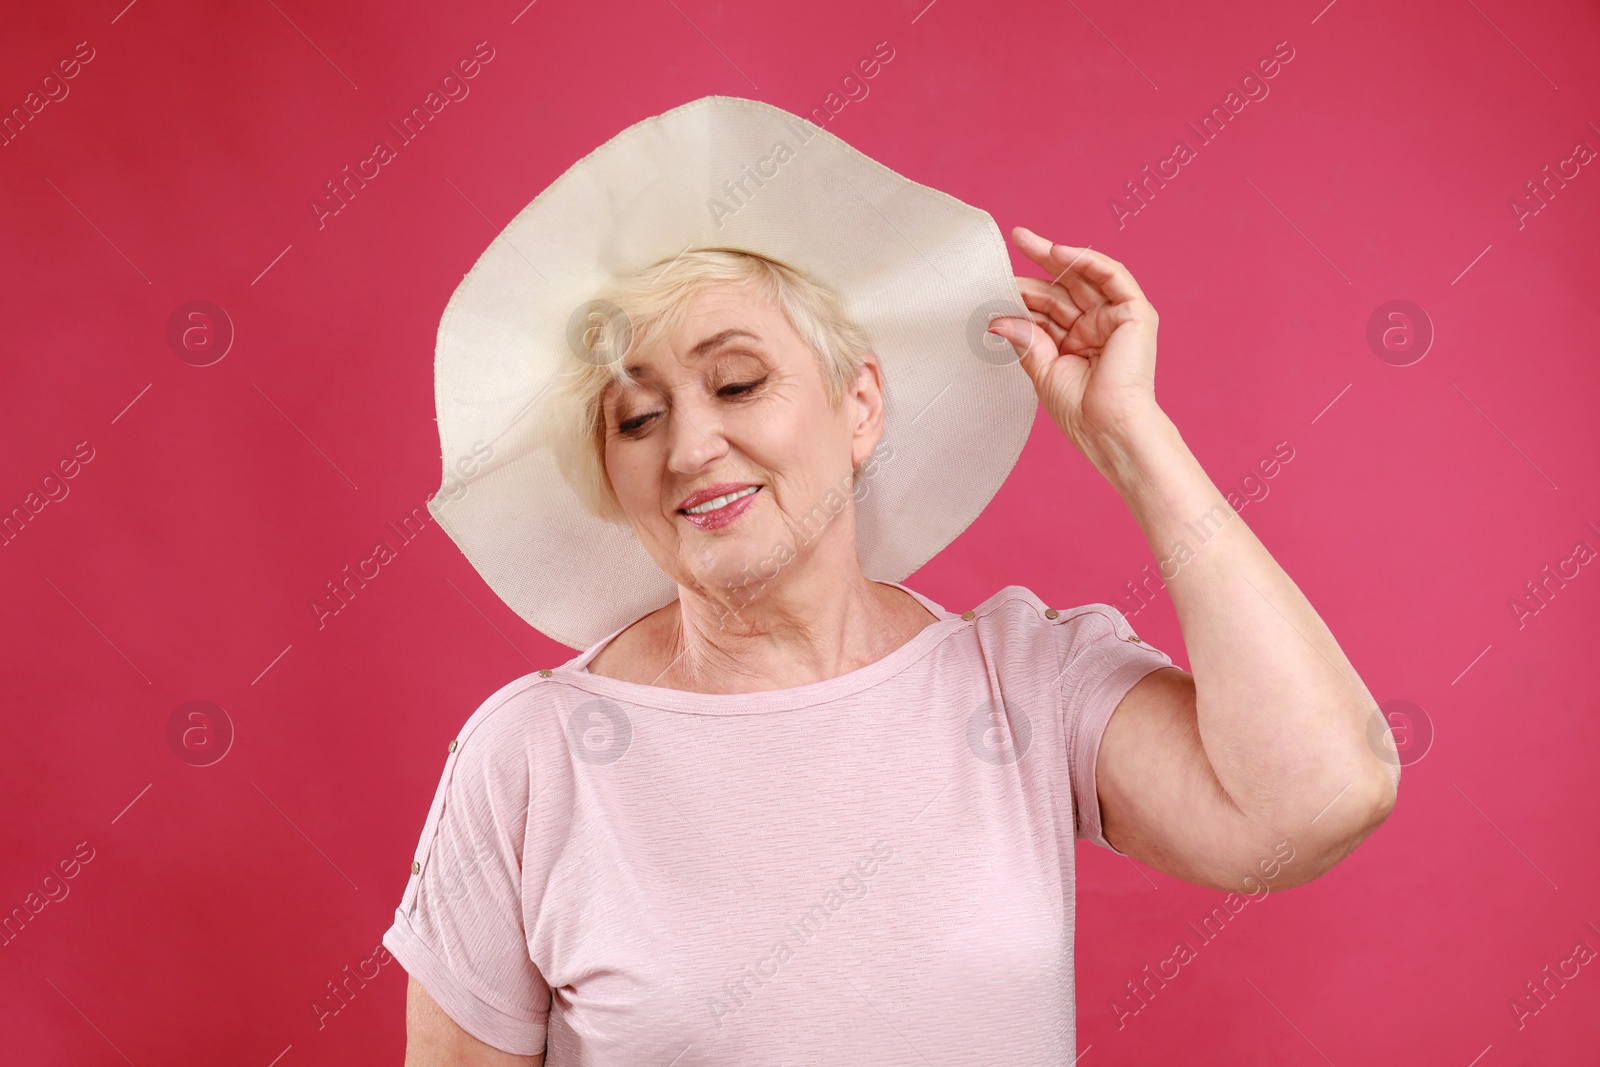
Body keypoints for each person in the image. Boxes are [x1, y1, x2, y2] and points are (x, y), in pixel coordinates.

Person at [382, 97, 1400, 1066]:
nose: (692, 445)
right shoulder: (529, 756)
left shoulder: (1021, 681)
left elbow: (1317, 797)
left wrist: (1134, 439)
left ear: (859, 401)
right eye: (637, 419)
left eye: (737, 382)